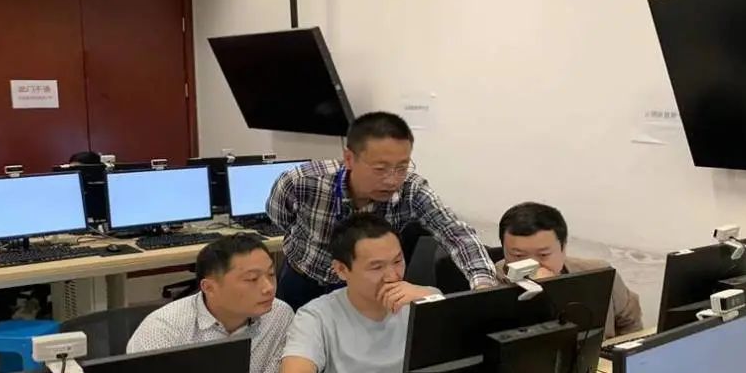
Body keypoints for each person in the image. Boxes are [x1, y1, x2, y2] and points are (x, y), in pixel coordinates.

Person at [267, 112, 494, 310]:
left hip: (362, 288)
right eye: (380, 169)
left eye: (402, 167)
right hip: (302, 278)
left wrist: (483, 285)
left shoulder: (411, 190)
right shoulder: (303, 181)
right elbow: (279, 217)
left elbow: (456, 234)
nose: (392, 180)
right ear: (349, 159)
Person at [280, 214, 438, 373]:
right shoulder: (316, 316)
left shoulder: (424, 298)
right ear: (341, 270)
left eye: (398, 261)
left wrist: (431, 302)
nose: (392, 276)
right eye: (376, 267)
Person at [127, 235, 293, 373]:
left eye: (271, 274)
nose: (268, 288)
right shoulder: (162, 330)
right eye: (252, 279)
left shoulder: (279, 314)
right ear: (209, 287)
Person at [497, 202, 643, 338]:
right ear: (504, 251)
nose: (533, 266)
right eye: (518, 256)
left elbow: (631, 324)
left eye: (543, 255)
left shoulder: (599, 274)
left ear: (563, 249)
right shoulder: (491, 284)